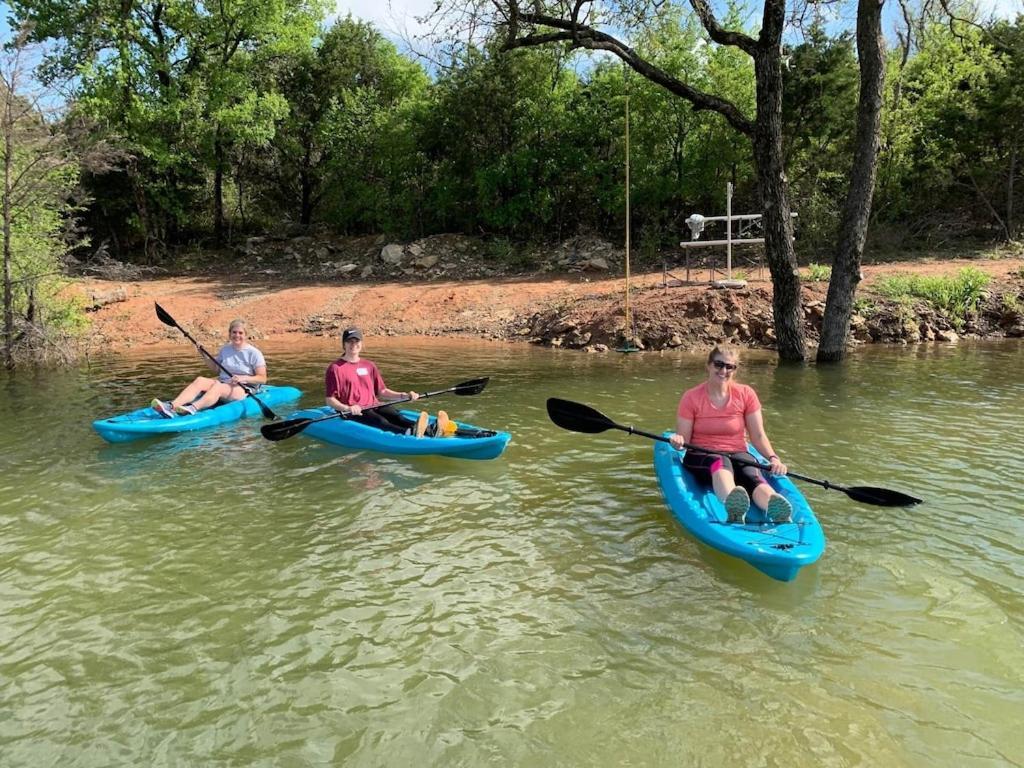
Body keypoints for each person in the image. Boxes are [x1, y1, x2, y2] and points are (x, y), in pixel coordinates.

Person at [668, 345, 793, 524]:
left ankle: (774, 506)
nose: (723, 370)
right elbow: (684, 440)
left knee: (751, 473)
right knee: (720, 461)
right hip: (701, 453)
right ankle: (732, 504)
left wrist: (773, 458)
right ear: (709, 365)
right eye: (719, 364)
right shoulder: (691, 397)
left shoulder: (746, 394)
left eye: (729, 366)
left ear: (735, 370)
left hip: (737, 451)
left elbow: (758, 435)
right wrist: (678, 440)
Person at [325, 326, 452, 437]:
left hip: (374, 405)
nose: (353, 344)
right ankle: (409, 433)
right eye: (349, 341)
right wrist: (347, 408)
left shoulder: (369, 365)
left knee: (398, 417)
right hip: (354, 411)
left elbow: (382, 391)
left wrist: (405, 395)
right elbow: (330, 400)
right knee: (381, 422)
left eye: (356, 341)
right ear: (344, 344)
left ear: (361, 343)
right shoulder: (335, 368)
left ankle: (429, 430)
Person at [151, 319, 267, 418]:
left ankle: (193, 408)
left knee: (218, 386)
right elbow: (216, 369)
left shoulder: (254, 353)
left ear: (245, 335)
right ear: (229, 333)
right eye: (234, 332)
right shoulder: (225, 349)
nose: (237, 335)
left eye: (240, 333)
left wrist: (243, 378)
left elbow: (262, 378)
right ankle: (171, 406)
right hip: (224, 383)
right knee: (200, 380)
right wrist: (204, 355)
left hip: (243, 388)